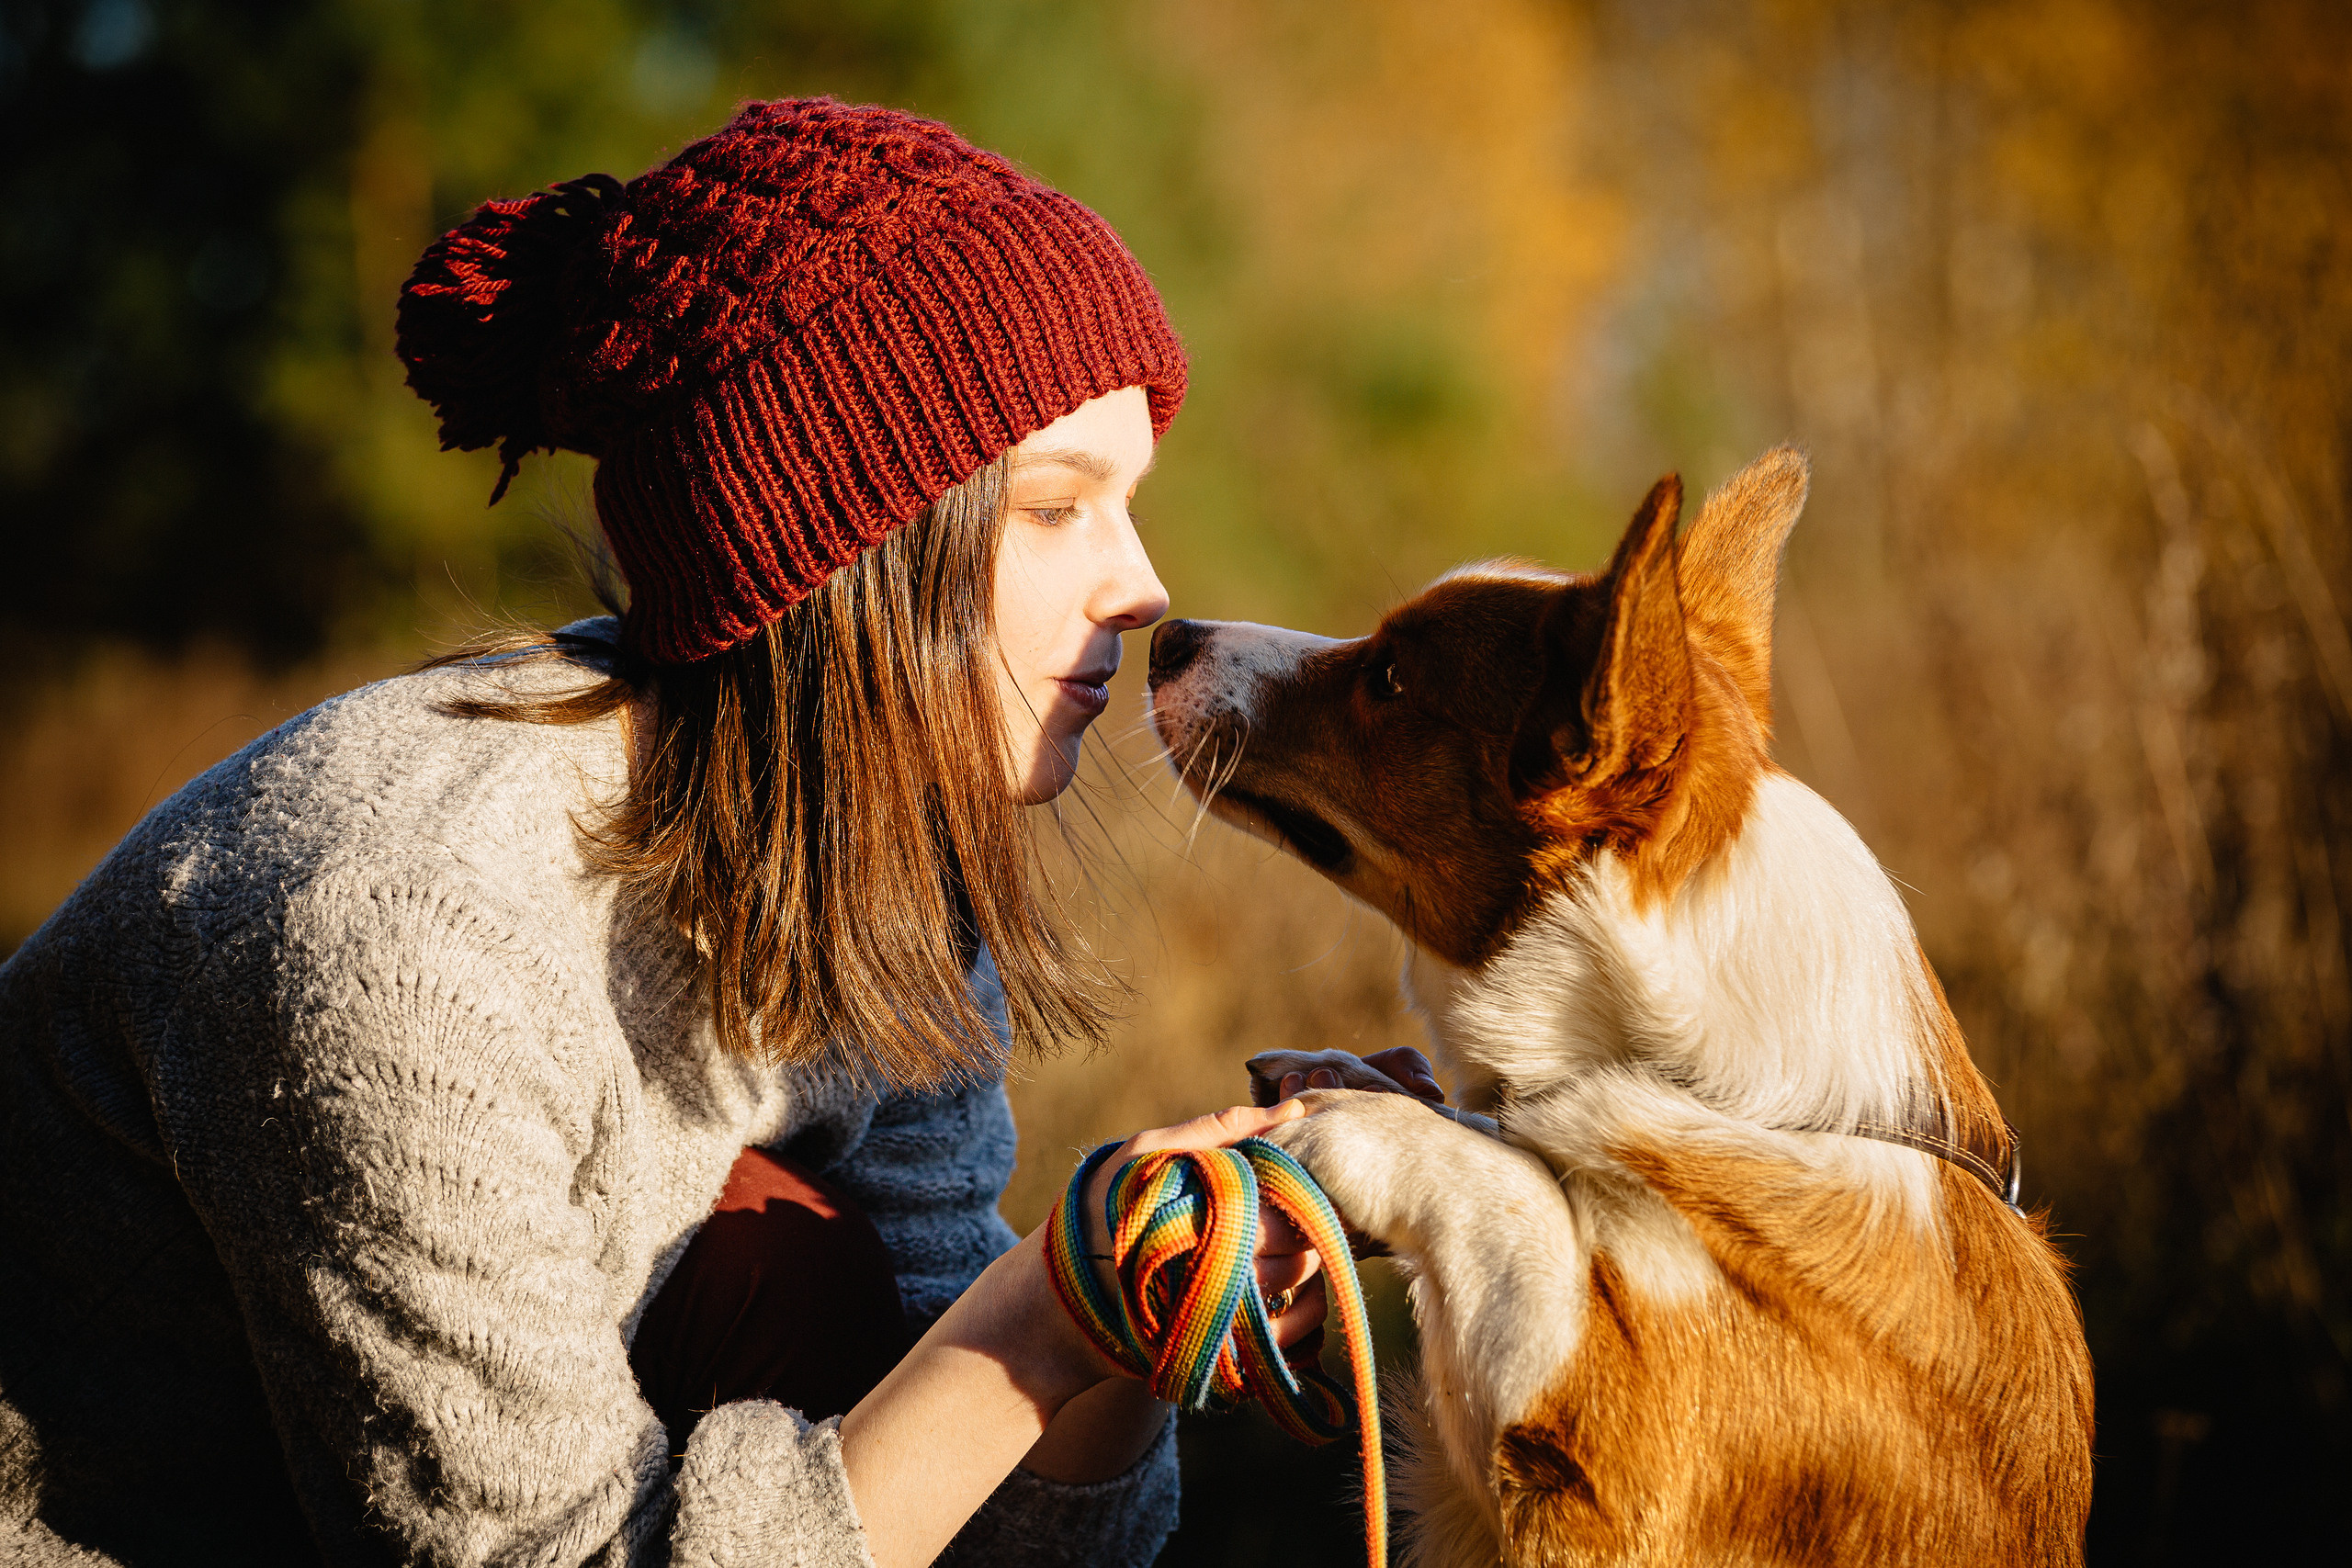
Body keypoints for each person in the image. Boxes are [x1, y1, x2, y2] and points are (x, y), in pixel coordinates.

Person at [0, 98, 1419, 1567]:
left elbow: (996, 1512)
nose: (1141, 588)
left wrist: (1129, 1305)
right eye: (1057, 507)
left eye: (1125, 503)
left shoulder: (880, 857)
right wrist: (1043, 1317)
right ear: (841, 550)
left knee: (790, 1266)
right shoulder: (402, 942)